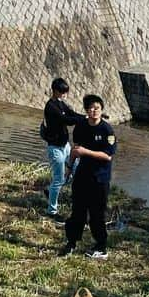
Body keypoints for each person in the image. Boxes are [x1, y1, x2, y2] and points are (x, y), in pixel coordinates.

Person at [60, 94, 116, 260]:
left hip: (99, 179)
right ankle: (71, 242)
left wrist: (86, 152)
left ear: (101, 109)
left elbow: (108, 156)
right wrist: (69, 167)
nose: (94, 111)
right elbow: (75, 149)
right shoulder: (81, 126)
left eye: (97, 108)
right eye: (91, 108)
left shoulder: (107, 131)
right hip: (82, 175)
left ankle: (101, 247)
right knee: (77, 211)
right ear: (86, 110)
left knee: (97, 214)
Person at [40, 77, 85, 220]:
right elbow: (67, 120)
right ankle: (51, 211)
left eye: (66, 92)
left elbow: (72, 114)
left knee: (76, 171)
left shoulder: (60, 103)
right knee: (59, 179)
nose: (65, 95)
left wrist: (87, 117)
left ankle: (50, 190)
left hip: (65, 146)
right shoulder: (51, 107)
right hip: (55, 149)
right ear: (55, 91)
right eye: (62, 92)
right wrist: (84, 120)